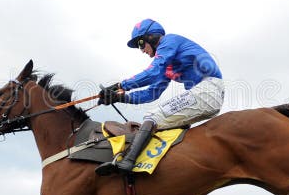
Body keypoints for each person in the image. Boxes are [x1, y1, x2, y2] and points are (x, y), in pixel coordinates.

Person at [96, 19, 224, 176]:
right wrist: (119, 97)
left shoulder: (169, 41)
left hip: (207, 90)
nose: (141, 50)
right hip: (204, 93)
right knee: (161, 124)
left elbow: (152, 72)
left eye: (140, 43)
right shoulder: (167, 63)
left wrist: (120, 86)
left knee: (152, 117)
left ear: (151, 37)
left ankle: (128, 162)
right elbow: (152, 93)